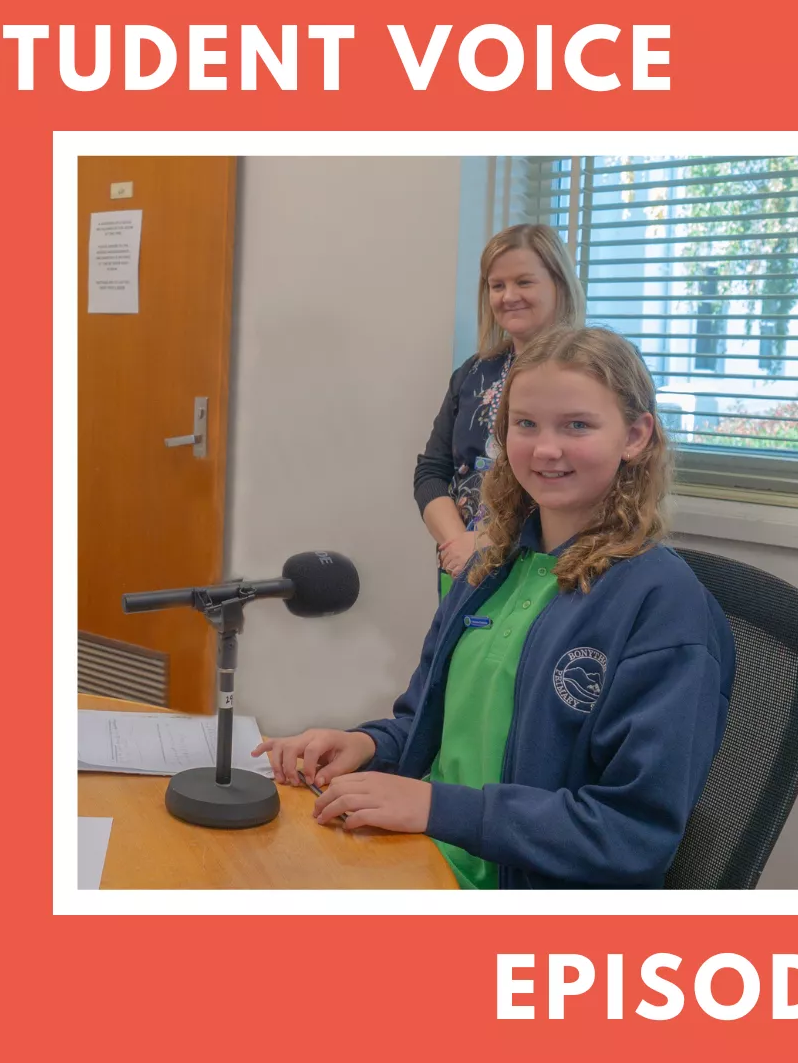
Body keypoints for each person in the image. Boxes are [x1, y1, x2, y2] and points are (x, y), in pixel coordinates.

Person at [253, 326, 735, 889]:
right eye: (525, 424)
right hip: (423, 856)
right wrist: (368, 745)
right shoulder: (491, 566)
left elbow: (631, 834)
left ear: (635, 436)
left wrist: (437, 809)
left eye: (577, 425)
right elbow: (428, 724)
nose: (545, 448)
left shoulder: (662, 604)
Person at [413, 223, 585, 598]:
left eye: (524, 282)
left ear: (558, 284)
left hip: (547, 568)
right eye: (497, 285)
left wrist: (488, 543)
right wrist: (457, 544)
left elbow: (590, 482)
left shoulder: (591, 372)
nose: (509, 296)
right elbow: (431, 472)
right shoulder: (473, 373)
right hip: (462, 568)